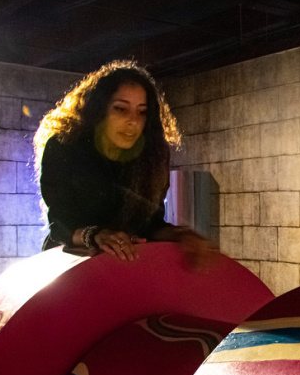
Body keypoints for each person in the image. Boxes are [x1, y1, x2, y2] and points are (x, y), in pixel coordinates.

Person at [34, 60, 216, 268]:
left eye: (142, 112)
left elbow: (151, 225)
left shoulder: (152, 154)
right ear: (99, 110)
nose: (133, 121)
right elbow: (60, 225)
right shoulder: (64, 145)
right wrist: (96, 235)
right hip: (72, 265)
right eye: (121, 109)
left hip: (126, 265)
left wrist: (183, 235)